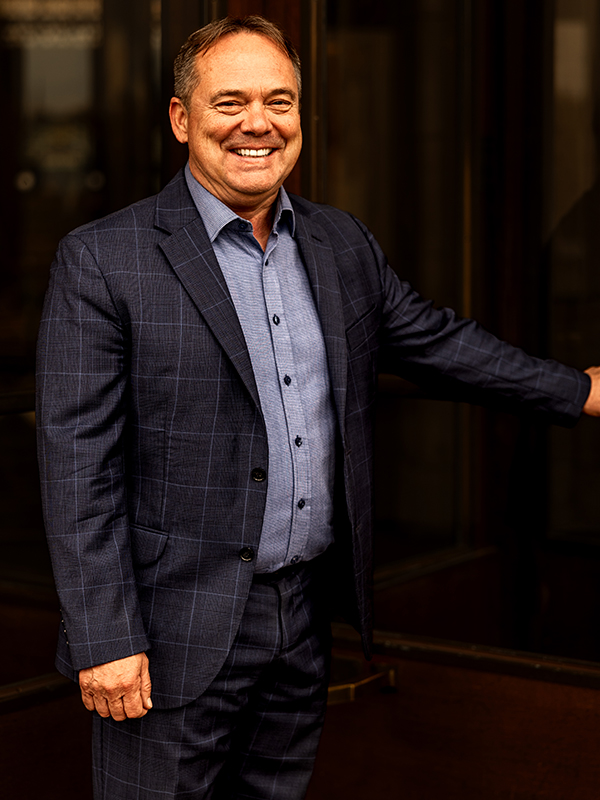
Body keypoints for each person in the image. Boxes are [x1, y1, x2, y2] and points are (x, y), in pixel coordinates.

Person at [36, 14, 600, 800]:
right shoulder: (105, 259)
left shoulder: (341, 245)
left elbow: (438, 342)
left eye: (280, 100)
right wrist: (105, 637)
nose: (258, 123)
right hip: (168, 637)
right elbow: (76, 464)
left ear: (301, 116)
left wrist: (580, 390)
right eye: (230, 102)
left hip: (300, 625)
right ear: (180, 118)